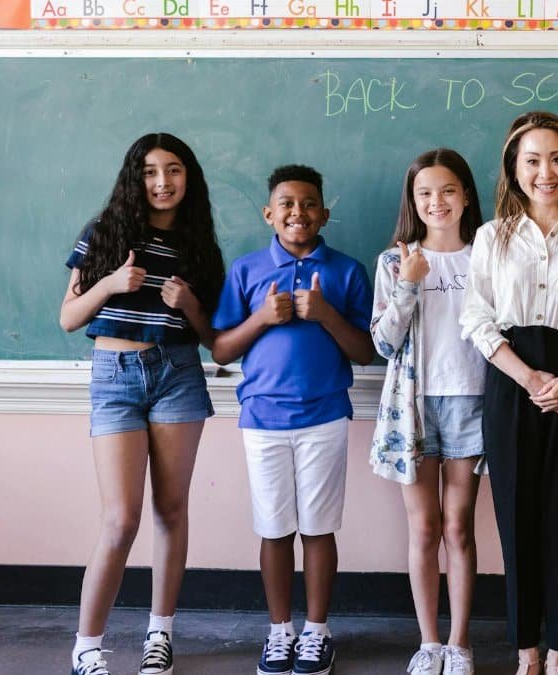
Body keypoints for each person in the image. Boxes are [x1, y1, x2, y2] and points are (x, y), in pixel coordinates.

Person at [459, 110, 558, 675]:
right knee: (517, 519)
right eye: (533, 160)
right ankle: (526, 648)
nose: (545, 172)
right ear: (513, 167)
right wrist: (529, 379)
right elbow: (477, 319)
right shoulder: (490, 237)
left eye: (557, 159)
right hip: (512, 386)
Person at [60, 132, 226, 675]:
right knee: (120, 519)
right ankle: (88, 646)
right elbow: (68, 317)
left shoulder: (199, 243)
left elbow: (211, 337)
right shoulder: (104, 232)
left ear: (188, 177)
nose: (162, 182)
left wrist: (191, 303)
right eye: (151, 171)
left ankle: (160, 636)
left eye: (174, 170)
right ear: (136, 178)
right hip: (115, 377)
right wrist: (109, 283)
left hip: (177, 372)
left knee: (170, 510)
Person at [211, 164, 374, 675]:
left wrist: (326, 314)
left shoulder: (346, 271)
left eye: (308, 204)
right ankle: (280, 631)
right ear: (268, 214)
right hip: (261, 419)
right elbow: (219, 349)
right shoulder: (246, 270)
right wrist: (261, 317)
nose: (297, 213)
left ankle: (317, 632)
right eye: (286, 204)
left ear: (325, 213)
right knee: (275, 528)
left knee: (319, 528)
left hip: (324, 416)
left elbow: (367, 352)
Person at [369, 148, 487, 675]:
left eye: (447, 191)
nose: (437, 202)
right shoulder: (395, 260)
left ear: (465, 196)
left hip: (472, 402)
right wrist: (410, 283)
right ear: (413, 202)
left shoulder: (487, 254)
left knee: (459, 527)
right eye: (425, 193)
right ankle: (429, 642)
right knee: (423, 529)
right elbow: (384, 343)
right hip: (411, 409)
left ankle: (460, 644)